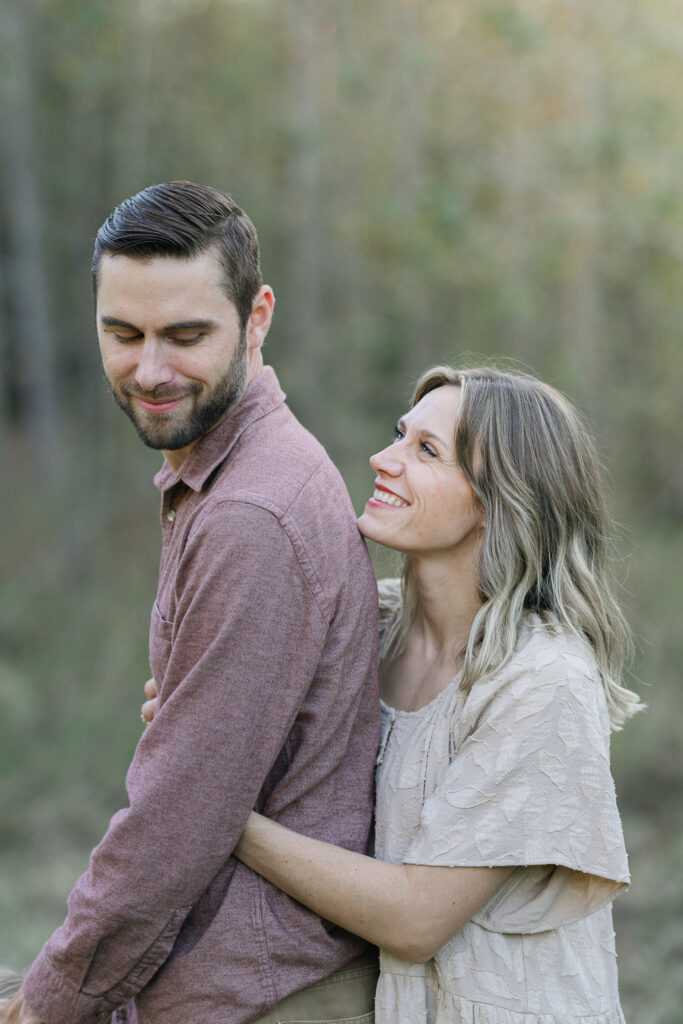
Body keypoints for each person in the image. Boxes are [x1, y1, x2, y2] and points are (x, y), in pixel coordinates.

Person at [0, 183, 381, 1024]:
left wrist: (45, 1004)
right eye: (122, 334)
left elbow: (176, 823)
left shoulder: (252, 513)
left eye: (185, 335)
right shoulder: (223, 475)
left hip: (264, 998)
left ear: (257, 317)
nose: (150, 370)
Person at [228, 365, 643, 1023]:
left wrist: (220, 814)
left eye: (424, 451)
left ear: (497, 501)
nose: (381, 460)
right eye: (399, 435)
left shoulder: (541, 680)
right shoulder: (367, 625)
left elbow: (416, 917)